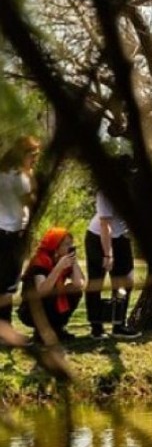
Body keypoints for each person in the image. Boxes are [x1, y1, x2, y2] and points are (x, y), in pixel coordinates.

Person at [85, 181, 141, 339]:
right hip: (98, 238)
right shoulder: (105, 192)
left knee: (125, 282)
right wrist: (108, 255)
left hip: (121, 238)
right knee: (96, 282)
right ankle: (96, 328)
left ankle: (119, 325)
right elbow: (105, 225)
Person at [18, 227, 85, 344]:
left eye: (71, 244)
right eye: (67, 244)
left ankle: (58, 328)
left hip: (54, 303)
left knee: (74, 290)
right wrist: (58, 267)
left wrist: (74, 262)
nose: (71, 247)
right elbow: (42, 290)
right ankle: (41, 331)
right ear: (56, 246)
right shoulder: (40, 261)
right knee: (51, 293)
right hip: (31, 308)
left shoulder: (64, 259)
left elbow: (79, 284)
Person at [0, 136, 39, 332]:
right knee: (8, 286)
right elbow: (32, 203)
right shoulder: (19, 177)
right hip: (12, 235)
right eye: (33, 155)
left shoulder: (3, 173)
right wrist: (31, 176)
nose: (35, 160)